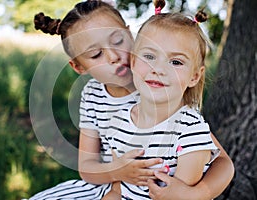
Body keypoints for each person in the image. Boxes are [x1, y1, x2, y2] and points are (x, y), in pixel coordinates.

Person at [29, 0, 234, 199]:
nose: (113, 56)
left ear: (130, 34)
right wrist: (117, 172)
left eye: (118, 41)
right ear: (79, 67)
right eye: (96, 54)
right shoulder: (92, 94)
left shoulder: (159, 87)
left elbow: (222, 162)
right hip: (111, 183)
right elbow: (87, 167)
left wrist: (196, 194)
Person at [102, 1, 226, 199]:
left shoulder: (190, 131)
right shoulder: (119, 122)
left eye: (175, 62)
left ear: (194, 76)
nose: (158, 69)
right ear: (133, 62)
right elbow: (117, 190)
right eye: (149, 56)